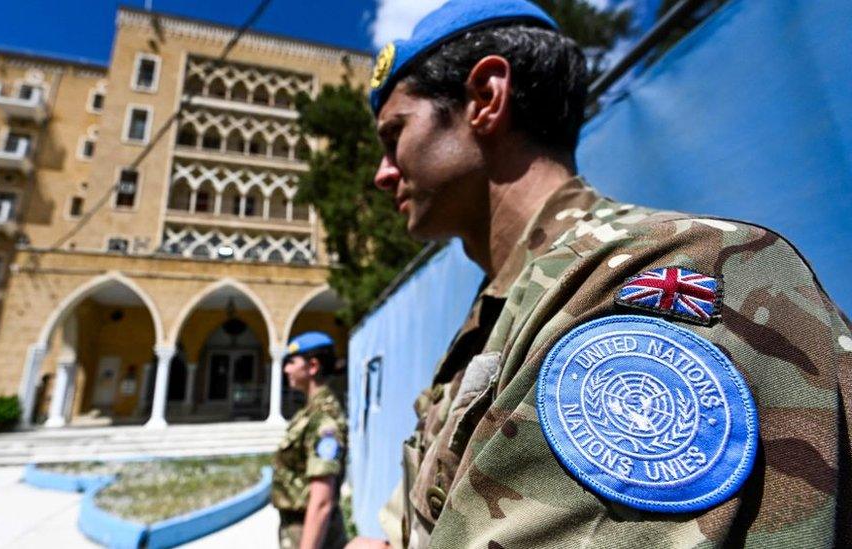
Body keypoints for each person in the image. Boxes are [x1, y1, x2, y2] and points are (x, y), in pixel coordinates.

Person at [348, 0, 852, 547]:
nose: (383, 173)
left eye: (394, 134)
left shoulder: (661, 274)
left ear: (485, 99)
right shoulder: (504, 310)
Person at [272, 331, 349, 549]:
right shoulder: (309, 413)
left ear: (312, 366)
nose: (286, 369)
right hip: (298, 528)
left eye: (292, 362)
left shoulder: (323, 420)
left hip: (311, 534)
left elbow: (322, 502)